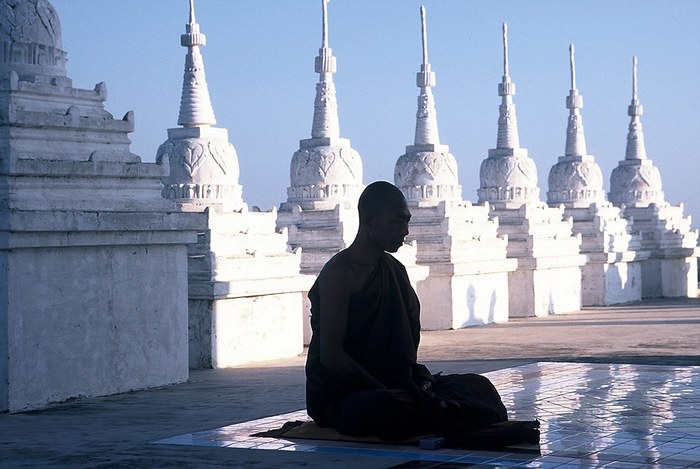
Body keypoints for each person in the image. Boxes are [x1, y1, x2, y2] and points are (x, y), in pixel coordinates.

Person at [305, 181, 539, 448]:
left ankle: (434, 408)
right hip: (347, 393)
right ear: (368, 221)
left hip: (399, 386)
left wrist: (412, 381)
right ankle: (440, 411)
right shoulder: (339, 273)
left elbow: (407, 341)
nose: (405, 231)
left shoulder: (394, 270)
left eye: (407, 221)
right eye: (397, 222)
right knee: (388, 408)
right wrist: (381, 387)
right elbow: (332, 357)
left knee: (479, 387)